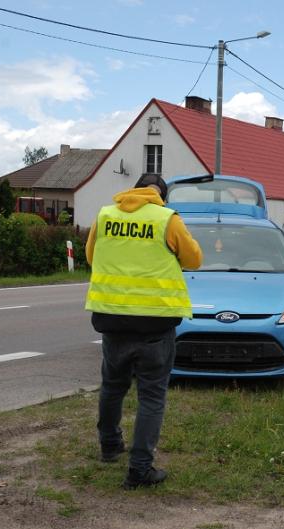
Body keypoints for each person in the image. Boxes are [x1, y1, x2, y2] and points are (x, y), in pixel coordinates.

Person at [85, 173, 202, 490]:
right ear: (161, 195)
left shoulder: (105, 215)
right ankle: (139, 469)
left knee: (112, 385)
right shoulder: (167, 219)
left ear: (134, 188)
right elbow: (195, 260)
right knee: (151, 396)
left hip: (113, 320)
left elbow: (91, 256)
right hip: (154, 324)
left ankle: (110, 446)